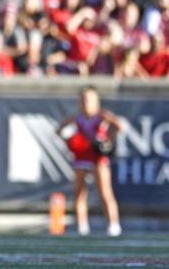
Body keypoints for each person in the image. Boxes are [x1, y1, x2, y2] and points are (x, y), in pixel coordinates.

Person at [56, 86, 122, 237]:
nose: (85, 102)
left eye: (88, 99)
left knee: (105, 191)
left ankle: (113, 225)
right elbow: (59, 130)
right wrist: (69, 140)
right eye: (82, 99)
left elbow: (119, 126)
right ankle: (82, 225)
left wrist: (107, 140)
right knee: (79, 192)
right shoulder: (76, 117)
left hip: (97, 156)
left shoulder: (102, 115)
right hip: (81, 156)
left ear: (96, 101)